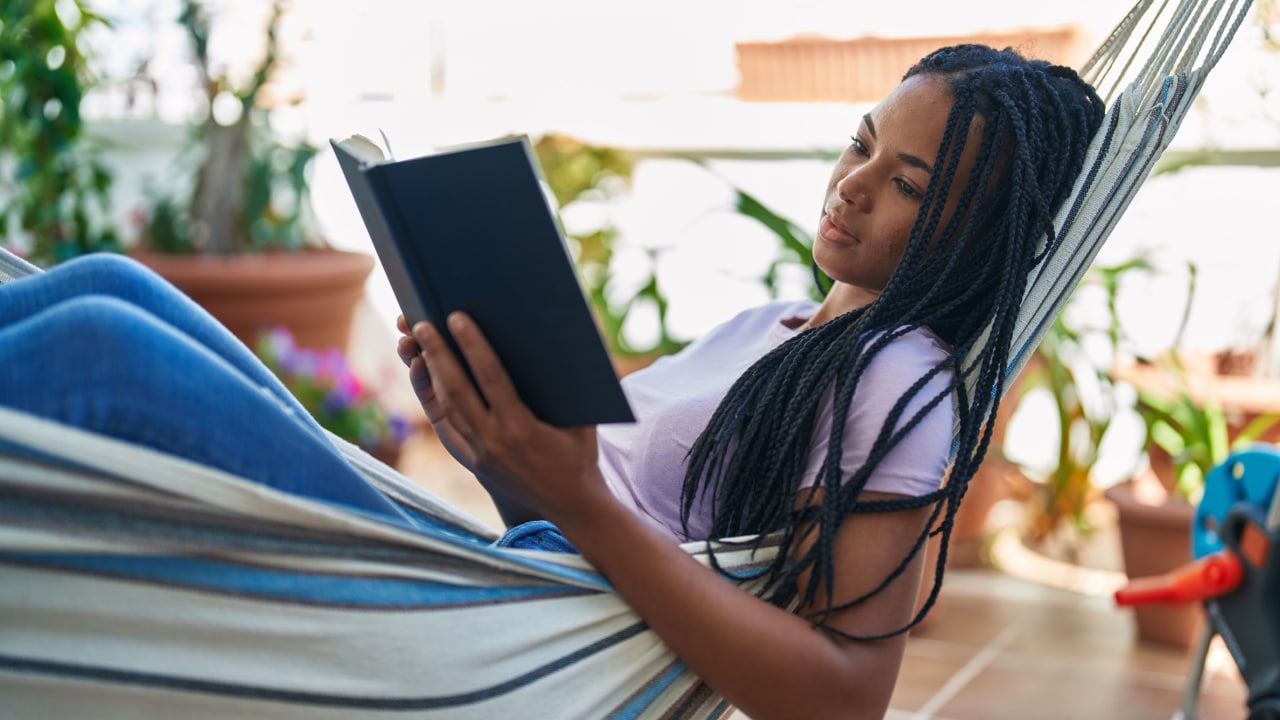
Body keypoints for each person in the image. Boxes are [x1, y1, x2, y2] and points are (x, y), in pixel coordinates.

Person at [0, 44, 1103, 720]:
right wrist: (496, 446)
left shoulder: (900, 382)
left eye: (903, 181)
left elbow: (840, 700)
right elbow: (593, 514)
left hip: (506, 637)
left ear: (977, 232)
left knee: (101, 349)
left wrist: (571, 497)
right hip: (512, 588)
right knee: (108, 294)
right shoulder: (765, 326)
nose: (851, 187)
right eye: (860, 145)